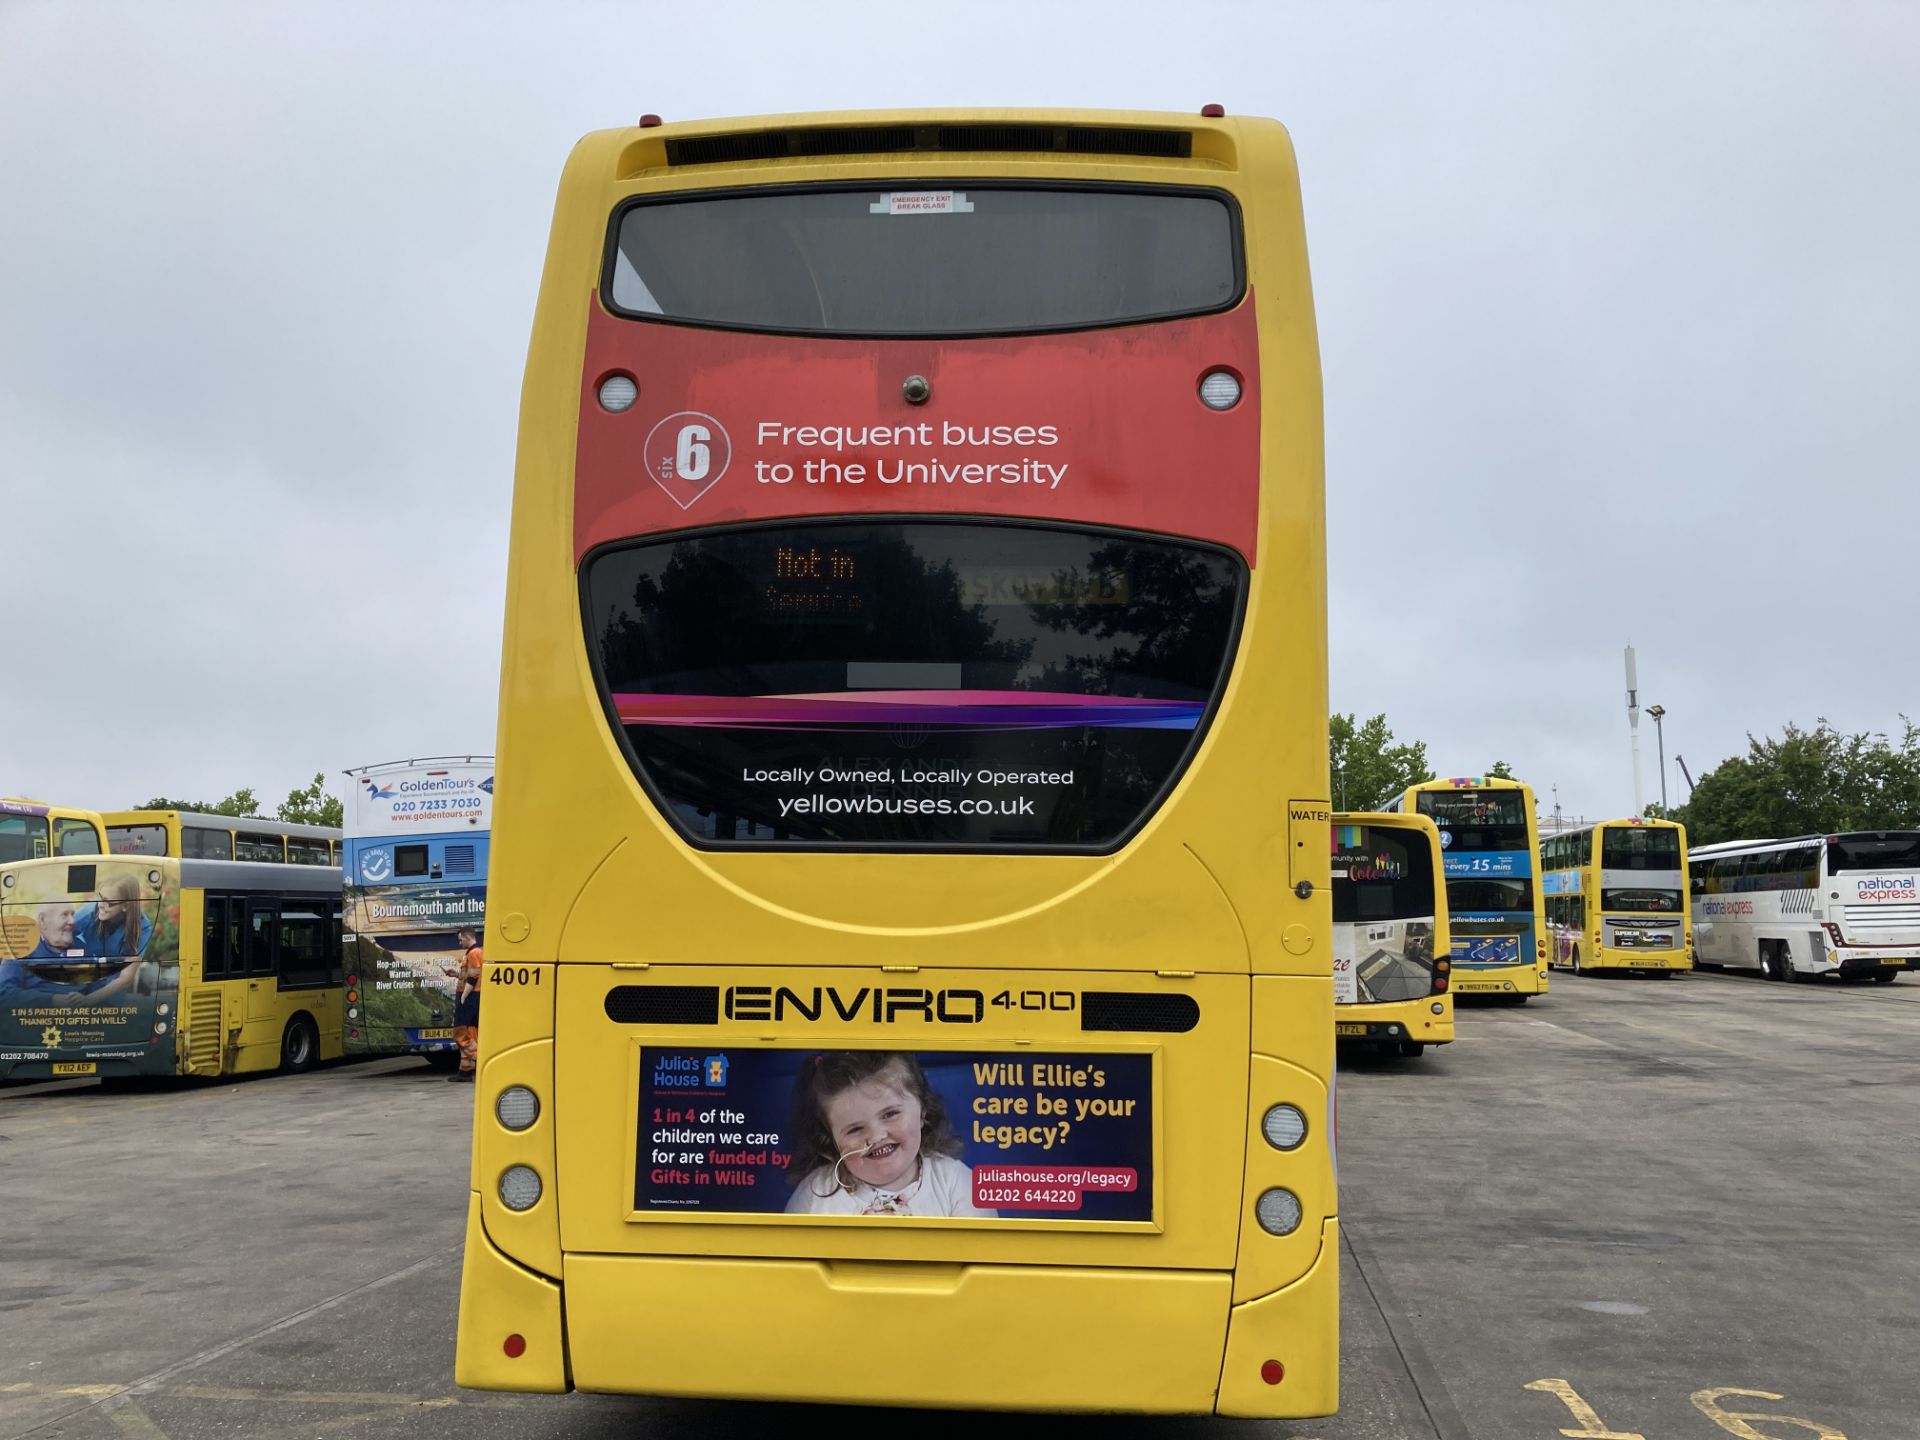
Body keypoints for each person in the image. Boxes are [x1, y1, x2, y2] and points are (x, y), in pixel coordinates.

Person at [785, 1052, 994, 1217]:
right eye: (855, 1129)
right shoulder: (815, 1194)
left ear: (922, 1110)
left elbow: (985, 1260)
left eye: (890, 1114)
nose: (876, 1137)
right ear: (831, 1139)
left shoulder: (957, 1183)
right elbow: (791, 1266)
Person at [0, 900, 142, 1004]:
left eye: (73, 914)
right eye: (65, 915)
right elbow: (5, 993)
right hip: (31, 1026)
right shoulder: (21, 947)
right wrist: (52, 1001)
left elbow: (97, 985)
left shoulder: (82, 948)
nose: (73, 921)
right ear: (42, 920)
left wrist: (90, 999)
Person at [449, 928, 483, 1083]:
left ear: (467, 937)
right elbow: (470, 974)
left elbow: (475, 975)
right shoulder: (472, 952)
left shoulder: (473, 952)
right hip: (470, 996)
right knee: (469, 1032)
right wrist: (456, 974)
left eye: (460, 939)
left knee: (460, 1033)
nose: (459, 942)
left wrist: (464, 995)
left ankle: (480, 1059)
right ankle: (465, 1072)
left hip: (469, 997)